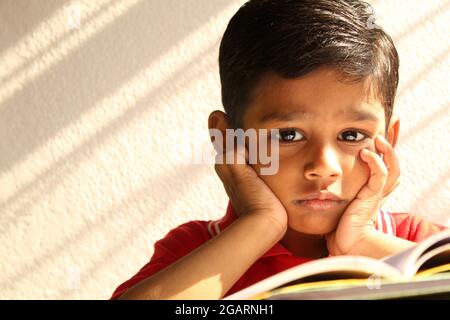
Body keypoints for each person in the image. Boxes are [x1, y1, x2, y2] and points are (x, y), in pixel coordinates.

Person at [111, 0, 447, 300]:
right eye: (288, 135)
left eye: (351, 134)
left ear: (389, 138)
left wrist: (362, 243)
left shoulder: (419, 243)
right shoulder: (195, 251)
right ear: (228, 139)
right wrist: (262, 224)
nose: (323, 166)